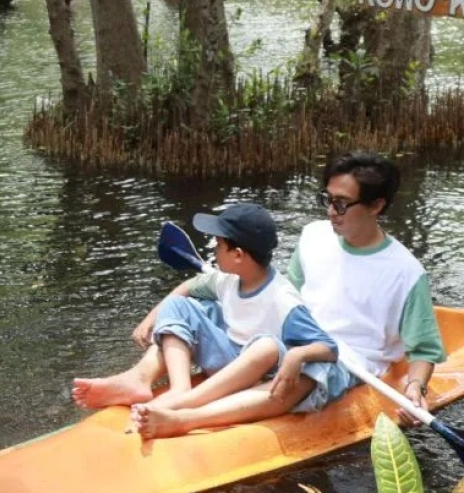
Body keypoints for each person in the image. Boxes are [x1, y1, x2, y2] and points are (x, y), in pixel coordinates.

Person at [126, 152, 446, 439]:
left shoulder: (406, 272)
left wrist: (414, 387)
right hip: (287, 334)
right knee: (204, 305)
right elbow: (285, 293)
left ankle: (186, 418)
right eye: (327, 199)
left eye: (341, 203)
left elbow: (424, 350)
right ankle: (141, 379)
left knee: (313, 370)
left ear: (376, 206)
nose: (331, 211)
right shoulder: (313, 236)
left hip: (344, 359)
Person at [71, 203, 336, 427]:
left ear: (238, 255)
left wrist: (297, 354)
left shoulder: (284, 300)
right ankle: (179, 388)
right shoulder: (227, 279)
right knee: (176, 304)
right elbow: (188, 287)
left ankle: (185, 404)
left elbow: (328, 347)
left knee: (267, 346)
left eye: (219, 245)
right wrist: (152, 316)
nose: (213, 250)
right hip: (228, 358)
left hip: (256, 373)